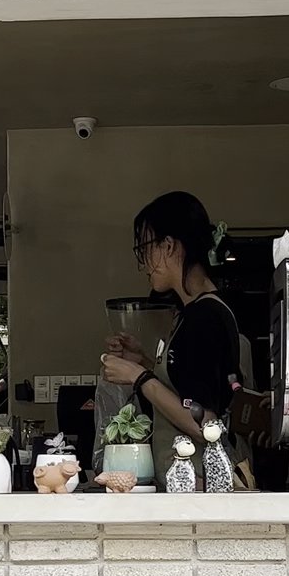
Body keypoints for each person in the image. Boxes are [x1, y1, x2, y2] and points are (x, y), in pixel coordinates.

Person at [102, 191, 241, 487]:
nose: (144, 264)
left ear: (168, 246)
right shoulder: (190, 312)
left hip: (200, 486)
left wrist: (139, 377)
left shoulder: (205, 317)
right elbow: (189, 388)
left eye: (144, 249)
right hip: (186, 484)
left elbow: (204, 421)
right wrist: (143, 362)